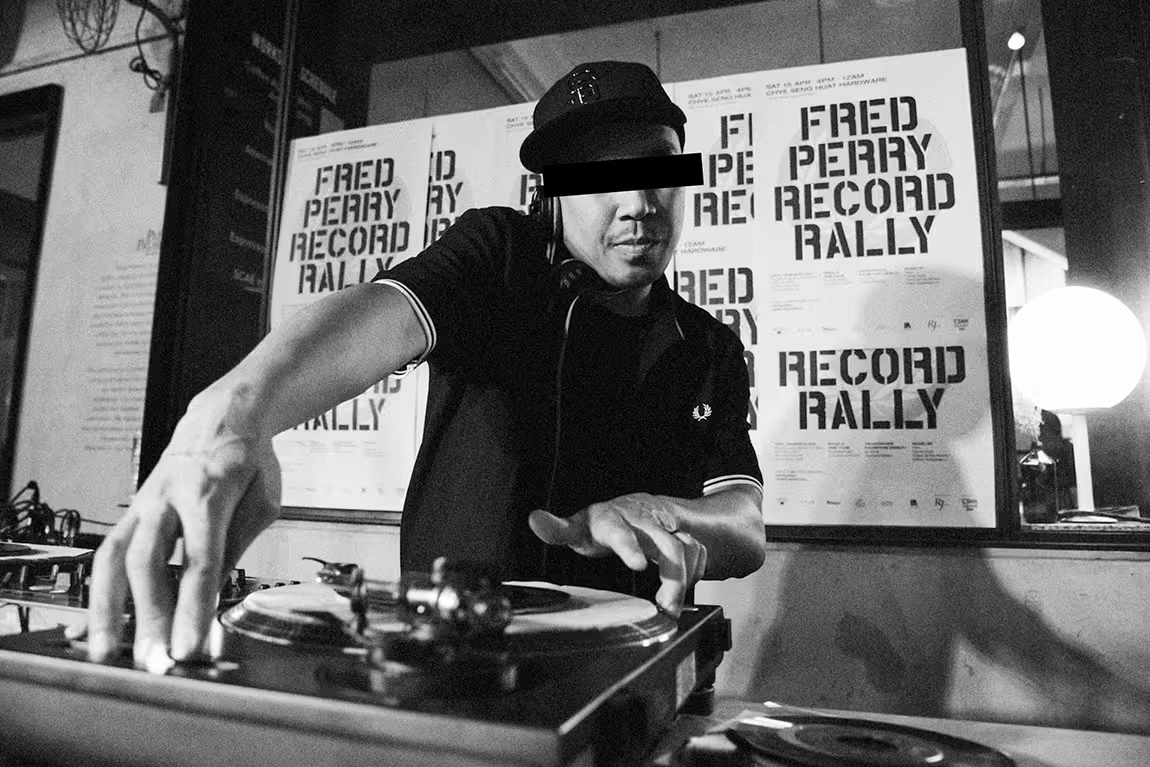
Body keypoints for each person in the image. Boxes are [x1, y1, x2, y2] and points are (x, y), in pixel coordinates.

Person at [84, 61, 767, 667]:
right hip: (449, 665)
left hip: (624, 663)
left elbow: (744, 526)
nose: (640, 204)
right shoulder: (499, 253)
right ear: (552, 193)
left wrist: (669, 514)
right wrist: (233, 414)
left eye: (659, 169)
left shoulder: (708, 345)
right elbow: (382, 313)